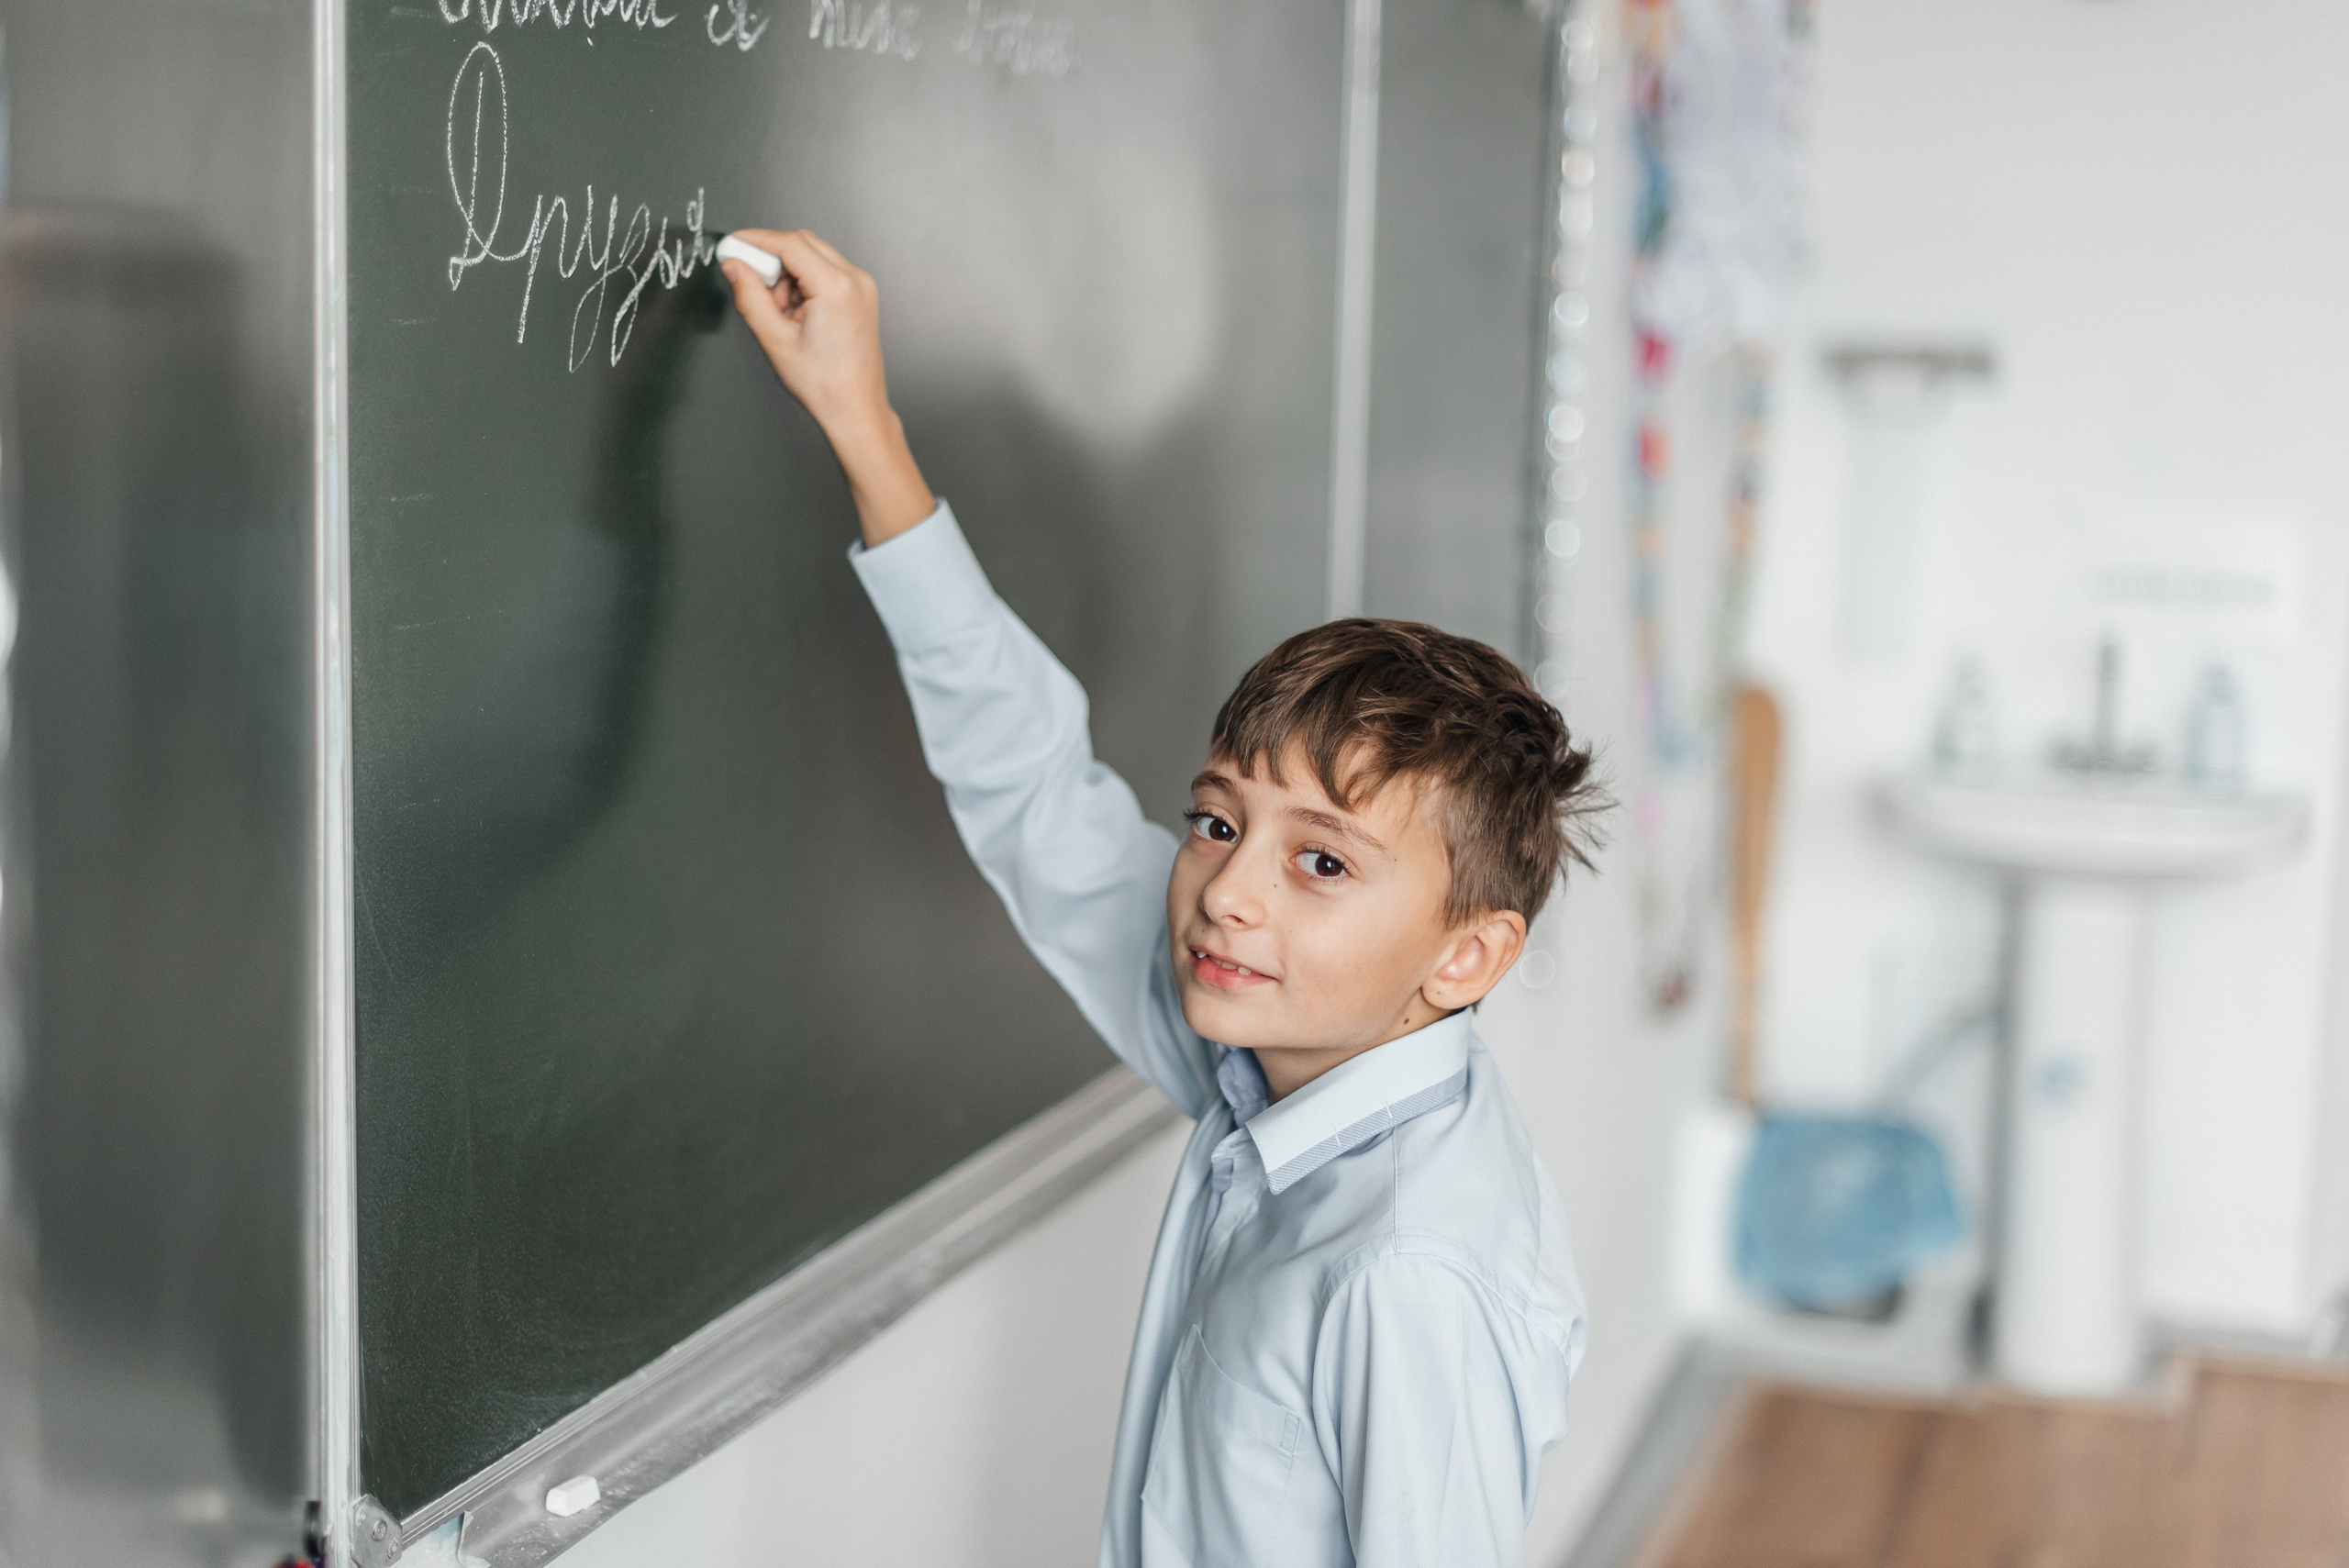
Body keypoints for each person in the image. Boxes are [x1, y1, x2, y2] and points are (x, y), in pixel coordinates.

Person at [719, 228, 1601, 1568]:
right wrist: (863, 423)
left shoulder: (1405, 1270)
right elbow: (1040, 797)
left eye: (1322, 861)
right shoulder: (1284, 1057)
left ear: (1466, 956)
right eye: (1214, 821)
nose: (1224, 892)